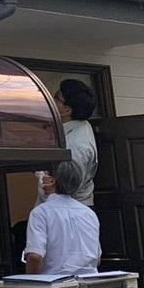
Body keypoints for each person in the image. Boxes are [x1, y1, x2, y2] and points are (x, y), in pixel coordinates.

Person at [23, 159, 101, 277]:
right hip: (89, 281)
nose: (41, 177)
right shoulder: (89, 213)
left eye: (45, 173)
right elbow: (97, 257)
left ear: (51, 180)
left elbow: (34, 257)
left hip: (55, 283)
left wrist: (31, 283)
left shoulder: (40, 213)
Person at [47, 77, 98, 207]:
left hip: (68, 209)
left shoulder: (76, 146)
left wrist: (41, 171)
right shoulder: (80, 125)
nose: (51, 99)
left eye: (56, 97)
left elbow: (67, 186)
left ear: (67, 110)